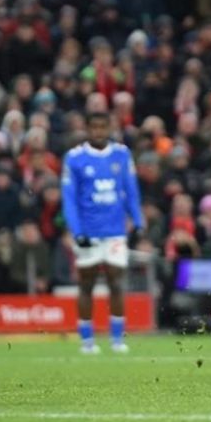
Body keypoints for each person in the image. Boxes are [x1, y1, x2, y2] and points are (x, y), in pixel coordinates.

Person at [61, 111, 143, 354]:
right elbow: (69, 199)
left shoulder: (122, 154)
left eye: (102, 127)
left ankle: (117, 338)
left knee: (116, 282)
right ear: (87, 129)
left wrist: (138, 222)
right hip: (88, 231)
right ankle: (87, 340)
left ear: (109, 128)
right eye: (94, 127)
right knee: (86, 285)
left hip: (115, 230)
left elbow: (131, 191)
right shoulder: (75, 158)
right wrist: (77, 231)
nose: (98, 131)